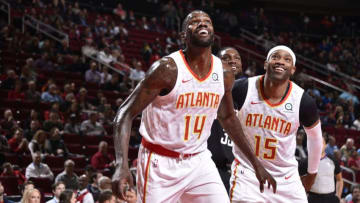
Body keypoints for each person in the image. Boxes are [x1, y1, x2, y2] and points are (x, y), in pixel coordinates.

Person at [112, 10, 275, 202]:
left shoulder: (223, 72)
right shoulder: (167, 70)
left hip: (199, 160)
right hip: (160, 163)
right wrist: (121, 164)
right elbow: (124, 113)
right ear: (183, 36)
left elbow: (228, 118)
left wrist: (256, 163)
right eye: (194, 22)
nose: (202, 23)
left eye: (207, 21)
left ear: (214, 33)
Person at [229, 45, 322, 202]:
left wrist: (312, 173)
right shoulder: (242, 88)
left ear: (292, 69)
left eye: (287, 59)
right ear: (265, 64)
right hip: (248, 174)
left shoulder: (302, 101)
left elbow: (315, 139)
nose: (280, 62)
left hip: (286, 179)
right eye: (275, 57)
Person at [208, 47, 241, 192]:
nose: (232, 60)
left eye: (237, 58)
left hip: (239, 171)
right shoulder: (209, 88)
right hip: (211, 168)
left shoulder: (248, 94)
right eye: (226, 58)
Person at [299, 135, 343, 203]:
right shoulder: (305, 162)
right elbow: (299, 182)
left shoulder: (333, 160)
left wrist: (338, 196)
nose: (319, 145)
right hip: (312, 198)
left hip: (331, 198)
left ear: (325, 145)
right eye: (316, 143)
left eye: (321, 143)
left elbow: (339, 180)